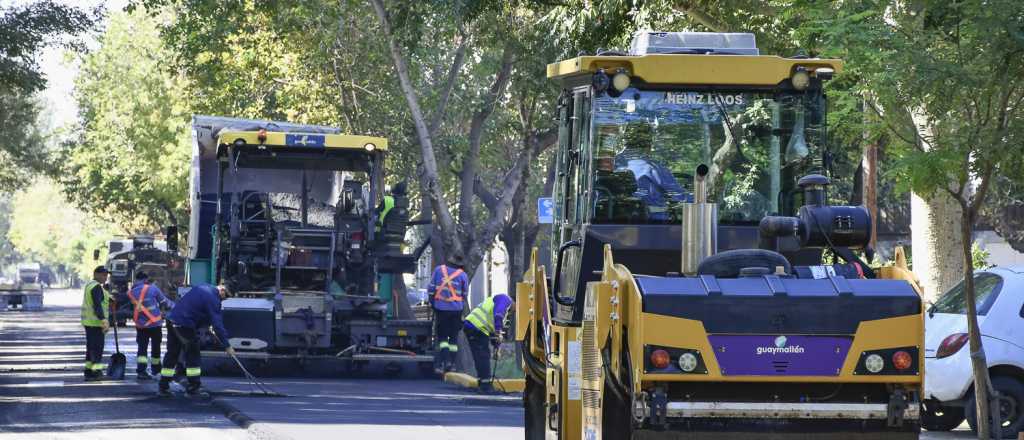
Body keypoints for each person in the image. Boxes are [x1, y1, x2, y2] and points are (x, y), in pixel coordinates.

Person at [158, 284, 234, 396]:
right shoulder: (213, 298)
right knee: (193, 354)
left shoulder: (203, 287)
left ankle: (163, 386)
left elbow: (196, 308)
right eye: (225, 296)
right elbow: (217, 323)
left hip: (172, 320)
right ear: (222, 289)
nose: (224, 299)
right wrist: (227, 345)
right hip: (184, 324)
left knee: (172, 353)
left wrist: (206, 325)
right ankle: (194, 387)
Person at [615, 122, 689, 221]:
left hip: (613, 224)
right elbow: (681, 198)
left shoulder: (611, 164)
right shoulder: (652, 169)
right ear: (649, 143)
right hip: (653, 226)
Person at [127, 272, 174, 380]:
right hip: (154, 324)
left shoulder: (131, 293)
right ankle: (156, 369)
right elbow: (164, 302)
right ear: (146, 279)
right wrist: (176, 306)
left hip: (141, 326)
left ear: (136, 280)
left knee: (142, 348)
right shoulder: (153, 289)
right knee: (155, 347)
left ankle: (141, 371)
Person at [463, 293, 513, 393]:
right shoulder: (505, 299)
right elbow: (498, 315)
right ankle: (485, 386)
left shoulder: (506, 308)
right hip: (476, 327)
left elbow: (492, 328)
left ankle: (483, 383)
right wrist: (499, 332)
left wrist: (496, 346)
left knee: (480, 356)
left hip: (474, 327)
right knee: (483, 356)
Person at [427, 254, 469, 373]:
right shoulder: (463, 275)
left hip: (441, 309)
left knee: (443, 338)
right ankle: (453, 363)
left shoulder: (438, 270)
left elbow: (431, 289)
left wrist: (433, 303)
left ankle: (445, 361)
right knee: (454, 338)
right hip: (456, 310)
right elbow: (464, 295)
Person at [81, 266, 111, 381]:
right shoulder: (96, 287)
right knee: (96, 349)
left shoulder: (90, 285)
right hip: (96, 322)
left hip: (90, 322)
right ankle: (96, 372)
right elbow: (97, 305)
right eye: (103, 275)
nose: (105, 277)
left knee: (91, 348)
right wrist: (103, 320)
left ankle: (88, 371)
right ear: (96, 274)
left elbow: (100, 300)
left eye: (106, 275)